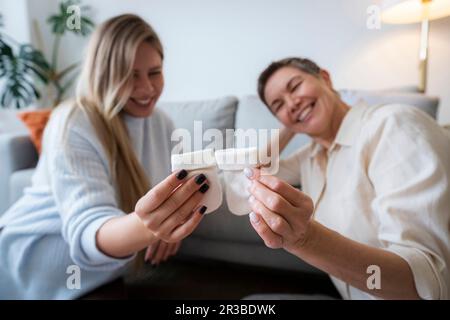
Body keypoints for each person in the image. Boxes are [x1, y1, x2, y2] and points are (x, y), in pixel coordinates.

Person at [0, 14, 210, 299]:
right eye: (130, 75)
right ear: (104, 74)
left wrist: (169, 226)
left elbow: (183, 190)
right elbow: (88, 230)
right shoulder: (74, 121)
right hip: (45, 258)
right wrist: (151, 228)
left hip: (110, 268)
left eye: (154, 72)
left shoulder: (161, 123)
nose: (147, 88)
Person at [244, 57, 450, 300]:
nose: (290, 103)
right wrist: (292, 120)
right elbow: (252, 170)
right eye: (278, 105)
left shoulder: (391, 126)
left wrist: (306, 240)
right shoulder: (310, 156)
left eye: (295, 86)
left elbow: (428, 284)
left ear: (326, 79)